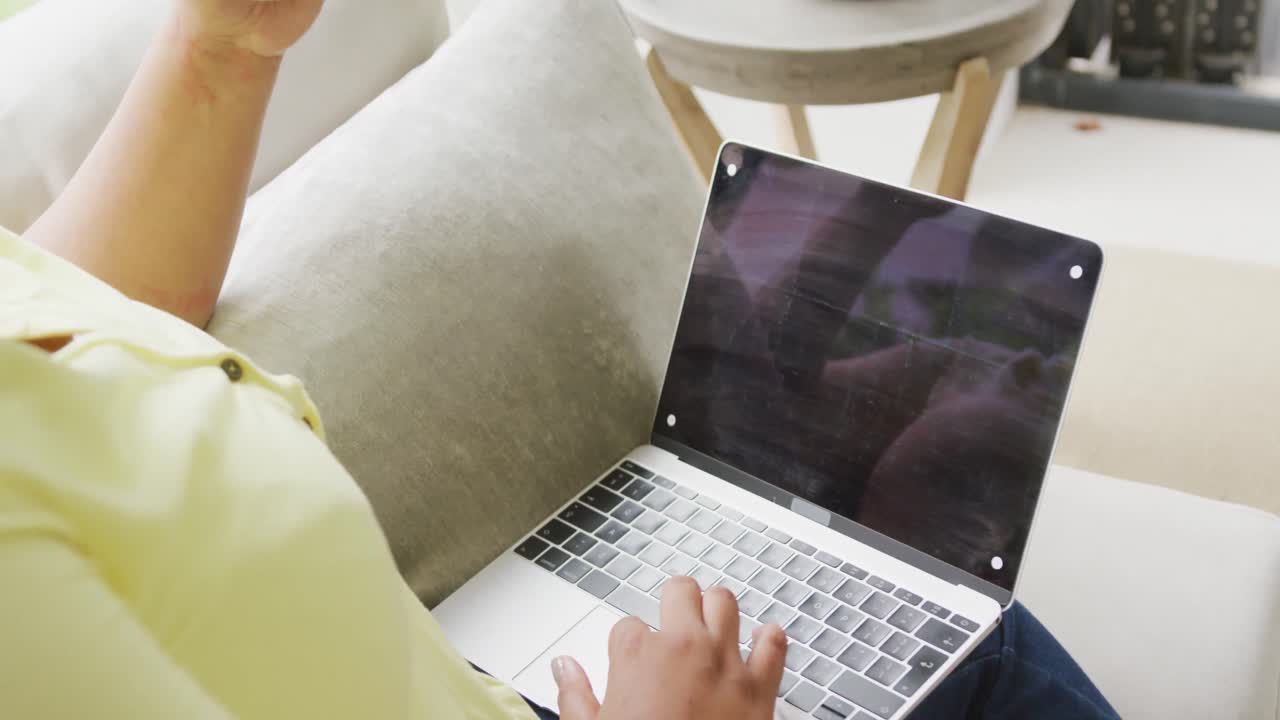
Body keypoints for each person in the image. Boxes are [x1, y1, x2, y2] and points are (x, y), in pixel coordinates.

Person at [0, 1, 1121, 718]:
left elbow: (90, 308)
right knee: (946, 570)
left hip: (522, 654)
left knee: (919, 582)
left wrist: (225, 42)